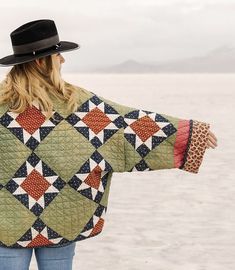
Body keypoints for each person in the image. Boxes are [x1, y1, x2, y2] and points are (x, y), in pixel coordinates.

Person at [0, 19, 217, 270]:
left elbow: (126, 124)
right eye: (58, 54)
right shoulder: (77, 104)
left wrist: (191, 134)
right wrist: (190, 135)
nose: (63, 60)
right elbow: (128, 127)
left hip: (7, 222)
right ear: (41, 61)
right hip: (61, 218)